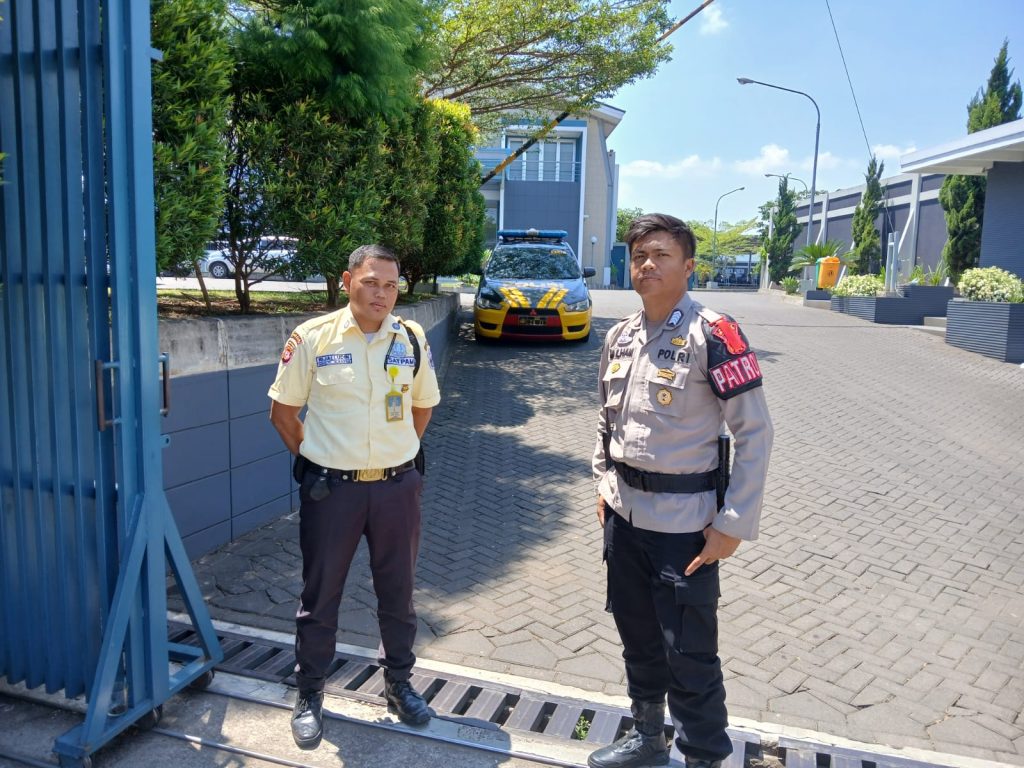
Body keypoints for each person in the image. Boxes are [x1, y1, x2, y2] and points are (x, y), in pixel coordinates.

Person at [589, 214, 773, 768]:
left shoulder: (716, 334)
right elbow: (606, 418)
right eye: (639, 254)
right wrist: (604, 480)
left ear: (688, 266)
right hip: (624, 521)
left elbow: (754, 431)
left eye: (661, 255)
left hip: (685, 530)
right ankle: (648, 739)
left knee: (689, 655)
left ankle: (703, 757)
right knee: (638, 640)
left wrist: (733, 522)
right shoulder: (620, 335)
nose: (647, 264)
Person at [268, 244, 441, 750]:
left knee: (399, 592)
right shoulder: (313, 337)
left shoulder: (410, 338)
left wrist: (395, 455)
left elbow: (421, 407)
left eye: (391, 285)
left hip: (396, 488)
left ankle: (400, 685)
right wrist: (319, 458)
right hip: (333, 491)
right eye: (371, 282)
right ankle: (309, 693)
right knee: (320, 596)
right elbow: (283, 414)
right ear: (348, 282)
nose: (381, 294)